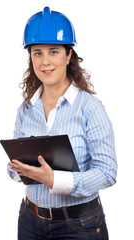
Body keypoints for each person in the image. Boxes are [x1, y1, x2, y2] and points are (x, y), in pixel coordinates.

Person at [8, 6, 117, 240]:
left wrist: (55, 180)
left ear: (69, 55)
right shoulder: (26, 110)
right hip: (30, 222)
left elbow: (107, 172)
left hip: (80, 226)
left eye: (54, 51)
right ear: (30, 57)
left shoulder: (90, 108)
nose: (45, 61)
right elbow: (15, 169)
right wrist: (18, 170)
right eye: (37, 53)